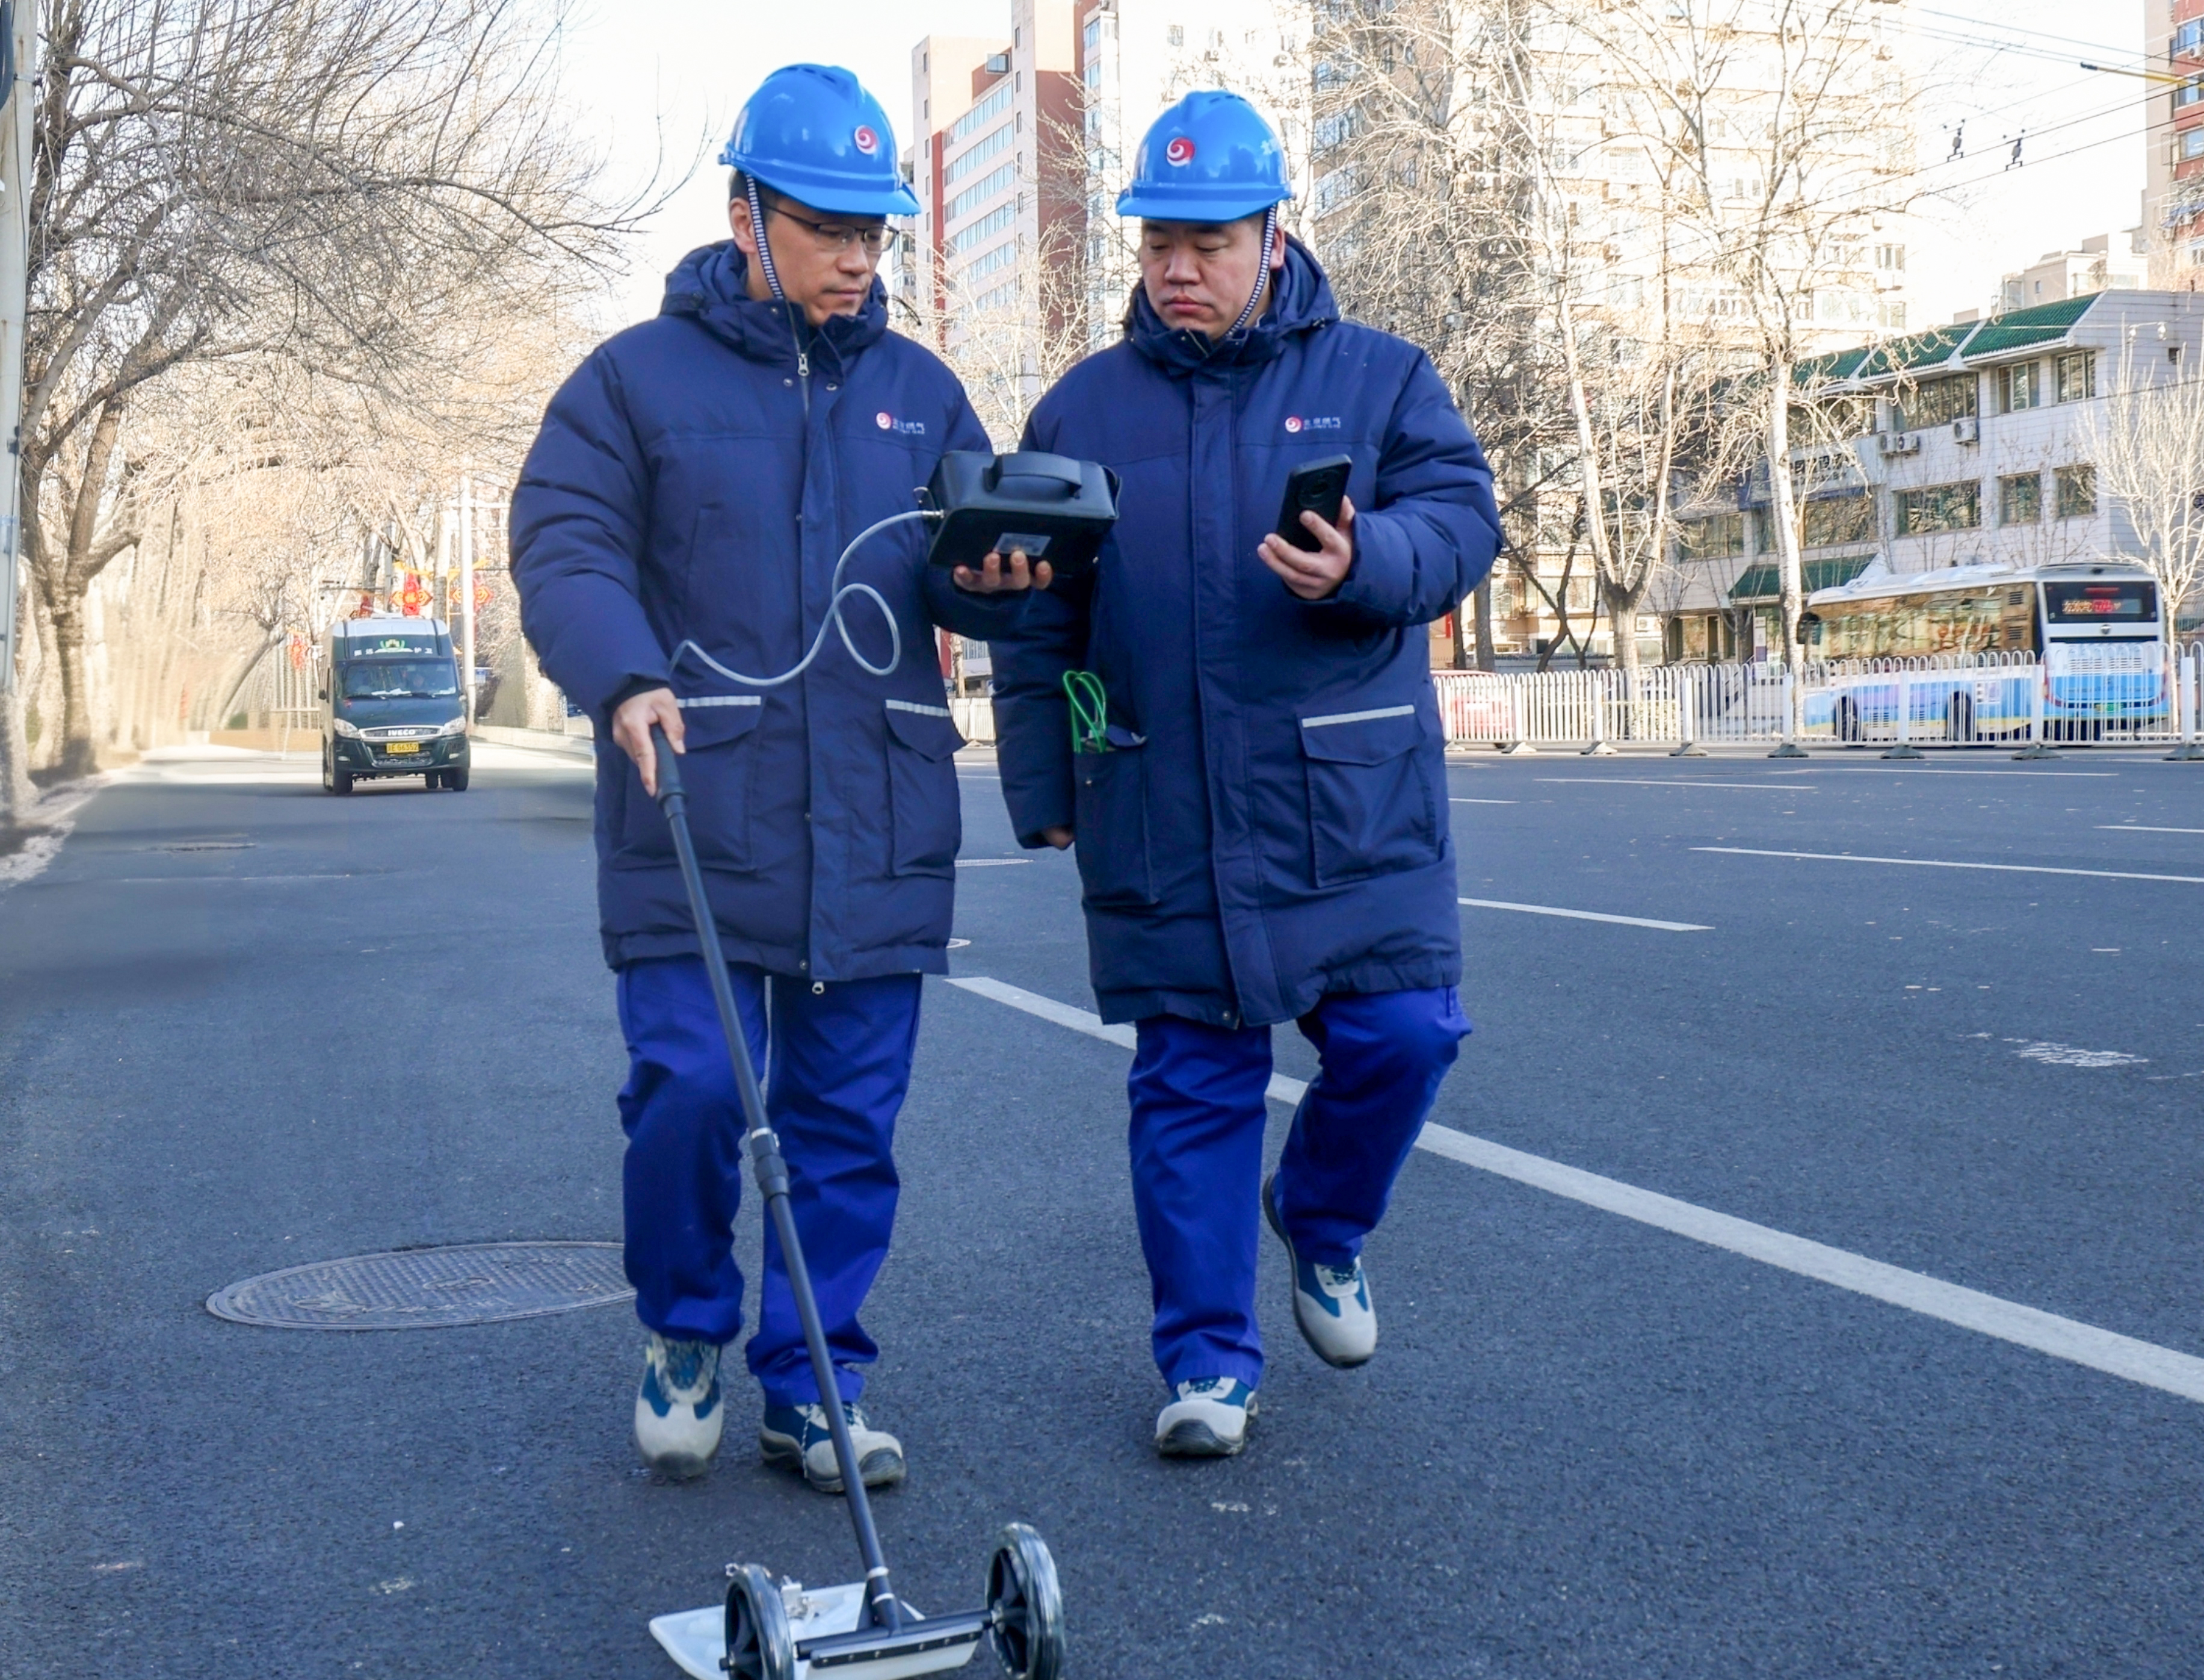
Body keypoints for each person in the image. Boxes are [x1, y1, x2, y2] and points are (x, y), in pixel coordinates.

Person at [511, 65, 1046, 1494]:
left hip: (877, 814)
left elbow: (981, 579)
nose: (859, 255)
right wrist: (620, 672)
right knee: (692, 1086)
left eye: (875, 228)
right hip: (694, 799)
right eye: (827, 225)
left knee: (844, 1126)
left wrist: (998, 581)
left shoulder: (922, 394)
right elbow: (562, 541)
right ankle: (685, 1329)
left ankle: (814, 1382)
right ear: (743, 213)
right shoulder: (629, 382)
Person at [989, 91, 1502, 1459]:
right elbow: (1040, 615)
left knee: (1405, 1037)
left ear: (1275, 235)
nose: (1176, 268)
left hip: (1349, 807)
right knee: (1189, 1085)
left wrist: (1366, 565)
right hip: (1161, 804)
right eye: (1158, 241)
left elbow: (1463, 521)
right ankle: (1206, 1361)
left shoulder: (1379, 378)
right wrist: (1041, 786)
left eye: (1207, 242)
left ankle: (1322, 1223)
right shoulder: (1081, 408)